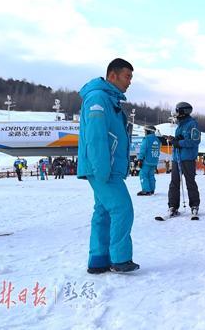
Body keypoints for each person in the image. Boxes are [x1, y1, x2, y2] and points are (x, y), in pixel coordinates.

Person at [77, 58, 139, 273]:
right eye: (127, 76)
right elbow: (96, 136)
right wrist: (101, 168)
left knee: (103, 212)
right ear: (112, 75)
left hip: (108, 167)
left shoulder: (108, 100)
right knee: (122, 209)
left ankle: (99, 259)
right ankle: (120, 259)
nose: (130, 81)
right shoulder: (98, 98)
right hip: (103, 168)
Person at [166, 102, 202, 220]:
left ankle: (194, 205)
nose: (176, 114)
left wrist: (179, 143)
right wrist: (174, 140)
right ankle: (173, 206)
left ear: (183, 112)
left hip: (188, 158)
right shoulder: (179, 125)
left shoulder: (192, 124)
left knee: (190, 182)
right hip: (177, 158)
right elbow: (180, 139)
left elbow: (195, 141)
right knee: (174, 183)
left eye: (177, 111)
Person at [137, 125, 161, 196]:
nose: (145, 132)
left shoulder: (146, 139)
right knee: (151, 175)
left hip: (146, 161)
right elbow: (158, 151)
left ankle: (146, 190)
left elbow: (143, 150)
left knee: (143, 174)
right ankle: (152, 189)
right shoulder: (157, 140)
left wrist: (140, 159)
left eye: (145, 131)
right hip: (154, 161)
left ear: (148, 131)